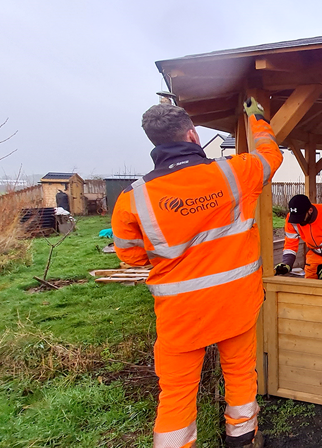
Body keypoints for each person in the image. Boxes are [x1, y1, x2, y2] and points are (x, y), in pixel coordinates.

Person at [112, 98, 281, 448]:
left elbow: (131, 257)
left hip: (181, 313)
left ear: (154, 143)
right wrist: (258, 119)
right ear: (192, 134)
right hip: (236, 303)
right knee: (239, 374)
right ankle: (242, 439)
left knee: (175, 392)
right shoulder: (234, 172)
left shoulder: (133, 198)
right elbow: (270, 154)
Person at [275, 194, 322, 281]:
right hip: (314, 252)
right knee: (309, 282)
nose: (299, 221)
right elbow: (290, 244)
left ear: (310, 210)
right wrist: (287, 263)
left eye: (301, 218)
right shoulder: (292, 219)